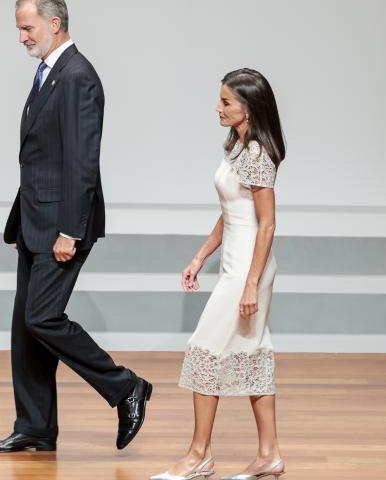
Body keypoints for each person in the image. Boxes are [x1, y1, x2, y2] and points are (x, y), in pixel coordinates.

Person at [0, 0, 151, 453]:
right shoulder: (47, 74)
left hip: (63, 225)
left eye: (26, 26)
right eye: (19, 27)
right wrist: (20, 223)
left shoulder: (78, 76)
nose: (21, 36)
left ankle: (125, 387)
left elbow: (81, 162)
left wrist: (70, 231)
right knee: (25, 327)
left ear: (54, 23)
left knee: (42, 316)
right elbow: (39, 158)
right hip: (36, 222)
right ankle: (35, 427)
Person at [151, 68, 286, 480]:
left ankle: (198, 455)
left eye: (226, 101)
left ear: (249, 108)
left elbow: (267, 225)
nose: (218, 107)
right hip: (235, 263)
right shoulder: (239, 149)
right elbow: (230, 214)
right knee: (251, 352)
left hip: (249, 268)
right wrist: (200, 257)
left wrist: (249, 283)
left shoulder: (259, 155)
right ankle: (269, 455)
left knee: (204, 348)